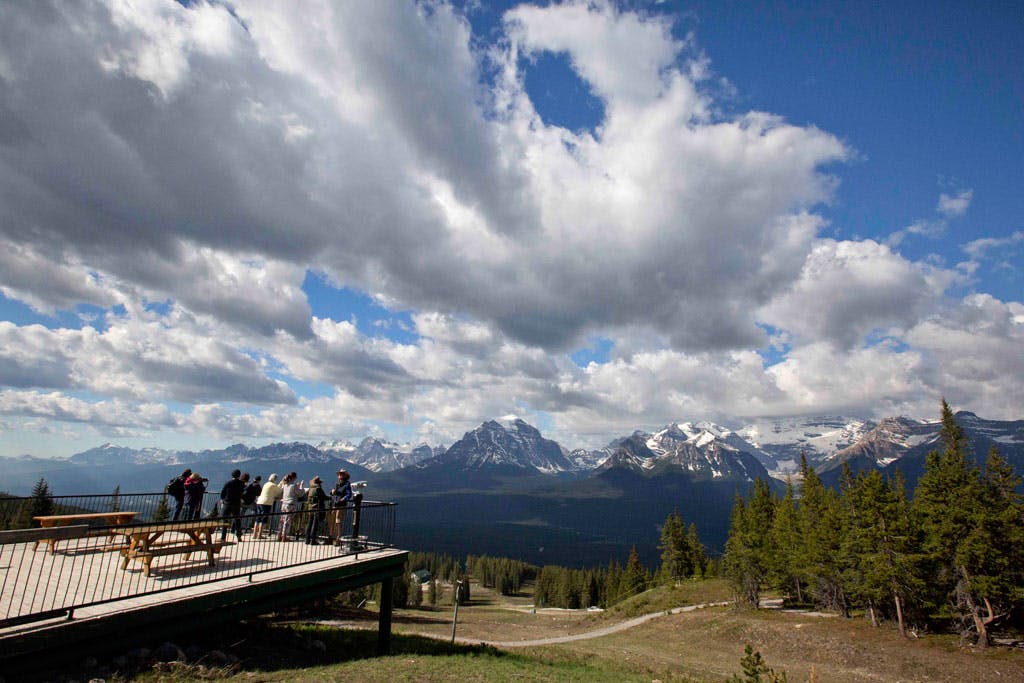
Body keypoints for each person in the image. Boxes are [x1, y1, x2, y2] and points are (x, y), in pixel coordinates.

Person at [278, 472, 306, 542]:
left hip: (284, 503)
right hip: (291, 504)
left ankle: (279, 535)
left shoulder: (285, 485)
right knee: (287, 521)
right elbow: (300, 493)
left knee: (282, 520)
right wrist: (301, 486)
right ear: (294, 478)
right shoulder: (293, 486)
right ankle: (284, 536)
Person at [253, 473, 281, 540]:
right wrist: (281, 484)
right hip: (266, 503)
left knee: (258, 518)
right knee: (263, 519)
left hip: (259, 501)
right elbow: (279, 491)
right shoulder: (273, 485)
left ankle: (254, 534)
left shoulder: (266, 484)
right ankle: (259, 534)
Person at [219, 469, 245, 543]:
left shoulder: (228, 483)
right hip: (237, 504)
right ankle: (239, 536)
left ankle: (223, 537)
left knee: (225, 520)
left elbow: (223, 492)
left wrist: (222, 500)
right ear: (239, 475)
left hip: (227, 503)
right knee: (237, 520)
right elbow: (243, 492)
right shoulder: (242, 484)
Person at [329, 469, 353, 546]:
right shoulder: (338, 484)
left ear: (345, 476)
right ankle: (331, 537)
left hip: (341, 505)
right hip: (335, 504)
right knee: (332, 520)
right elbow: (335, 493)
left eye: (341, 474)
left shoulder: (347, 484)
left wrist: (343, 499)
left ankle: (338, 538)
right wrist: (332, 492)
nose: (340, 476)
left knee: (338, 521)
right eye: (339, 474)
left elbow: (349, 494)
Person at [304, 476, 328, 545]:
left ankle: (307, 539)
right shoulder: (318, 489)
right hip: (317, 507)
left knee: (309, 523)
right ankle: (313, 540)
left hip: (310, 507)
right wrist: (331, 497)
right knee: (315, 524)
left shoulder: (310, 488)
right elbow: (324, 497)